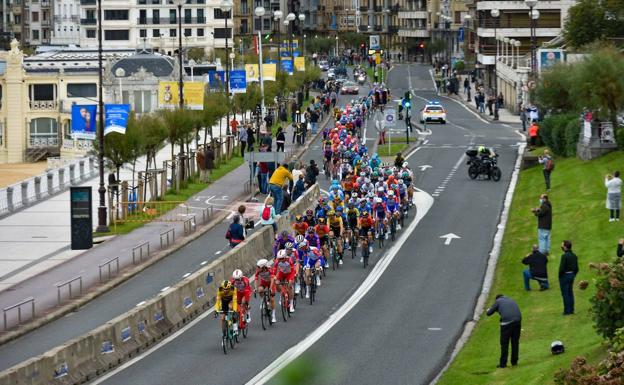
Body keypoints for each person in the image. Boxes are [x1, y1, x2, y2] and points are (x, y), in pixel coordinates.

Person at [486, 294, 522, 368]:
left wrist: (489, 309)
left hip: (507, 324)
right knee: (515, 342)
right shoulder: (510, 299)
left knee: (504, 343)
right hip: (518, 321)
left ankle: (503, 364)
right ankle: (514, 362)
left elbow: (489, 313)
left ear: (497, 299)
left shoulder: (498, 301)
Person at [558, 240, 579, 315]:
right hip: (571, 275)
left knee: (565, 293)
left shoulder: (564, 256)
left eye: (562, 245)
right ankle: (572, 310)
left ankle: (567, 311)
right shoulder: (574, 255)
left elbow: (561, 268)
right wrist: (573, 275)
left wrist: (560, 276)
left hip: (565, 276)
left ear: (565, 247)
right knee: (570, 292)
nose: (561, 247)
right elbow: (576, 268)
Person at [254, 259, 276, 323]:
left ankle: (273, 315)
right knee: (260, 289)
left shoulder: (269, 270)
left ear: (263, 267)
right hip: (263, 282)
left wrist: (271, 288)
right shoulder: (258, 271)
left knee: (272, 299)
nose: (257, 268)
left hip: (271, 283)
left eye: (259, 267)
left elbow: (272, 279)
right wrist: (255, 288)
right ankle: (262, 300)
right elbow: (256, 279)